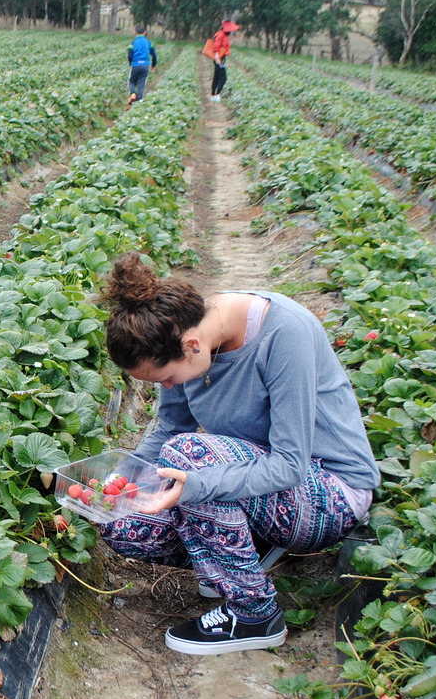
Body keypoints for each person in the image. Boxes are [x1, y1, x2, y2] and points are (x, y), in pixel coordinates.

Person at [97, 253, 377, 655]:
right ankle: (240, 556)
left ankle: (254, 614)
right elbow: (170, 427)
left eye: (168, 379)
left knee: (188, 457)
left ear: (191, 346)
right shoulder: (181, 336)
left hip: (328, 490)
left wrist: (196, 482)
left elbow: (289, 466)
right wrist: (121, 478)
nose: (171, 389)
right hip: (262, 490)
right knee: (123, 524)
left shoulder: (285, 334)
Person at [126, 23, 158, 107]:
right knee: (141, 83)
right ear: (145, 32)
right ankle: (139, 103)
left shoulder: (132, 44)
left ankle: (132, 94)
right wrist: (153, 65)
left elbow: (129, 56)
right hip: (145, 65)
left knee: (131, 81)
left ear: (135, 32)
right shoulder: (149, 43)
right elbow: (154, 55)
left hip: (135, 65)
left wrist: (131, 63)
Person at [209, 20, 237, 101]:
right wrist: (217, 59)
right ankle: (217, 95)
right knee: (223, 77)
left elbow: (225, 47)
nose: (231, 32)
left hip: (221, 58)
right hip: (219, 58)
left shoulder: (224, 36)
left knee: (217, 77)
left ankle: (213, 96)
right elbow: (215, 48)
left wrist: (233, 39)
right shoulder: (220, 35)